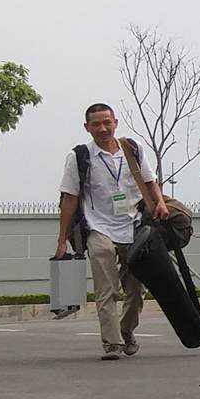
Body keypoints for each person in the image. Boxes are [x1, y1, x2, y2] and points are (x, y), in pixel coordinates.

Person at [55, 103, 169, 359]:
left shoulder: (132, 149)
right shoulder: (80, 157)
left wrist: (160, 202)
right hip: (99, 229)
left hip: (133, 227)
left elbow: (150, 181)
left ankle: (126, 330)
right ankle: (112, 343)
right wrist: (62, 239)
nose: (103, 128)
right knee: (106, 290)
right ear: (87, 127)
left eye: (107, 122)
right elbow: (70, 198)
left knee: (136, 289)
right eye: (96, 124)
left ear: (115, 122)